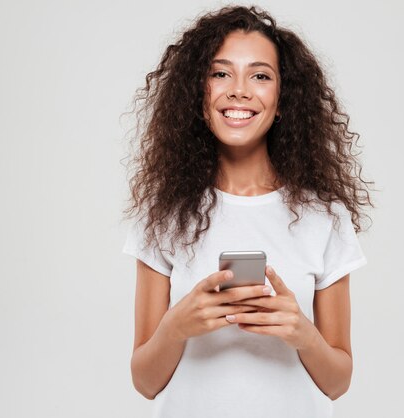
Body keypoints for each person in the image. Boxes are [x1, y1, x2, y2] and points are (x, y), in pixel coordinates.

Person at [122, 5, 373, 418]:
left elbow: (338, 382)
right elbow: (145, 383)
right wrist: (177, 325)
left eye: (260, 75)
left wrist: (301, 333)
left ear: (282, 100)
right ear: (197, 95)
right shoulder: (162, 213)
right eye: (220, 73)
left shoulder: (324, 216)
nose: (239, 90)